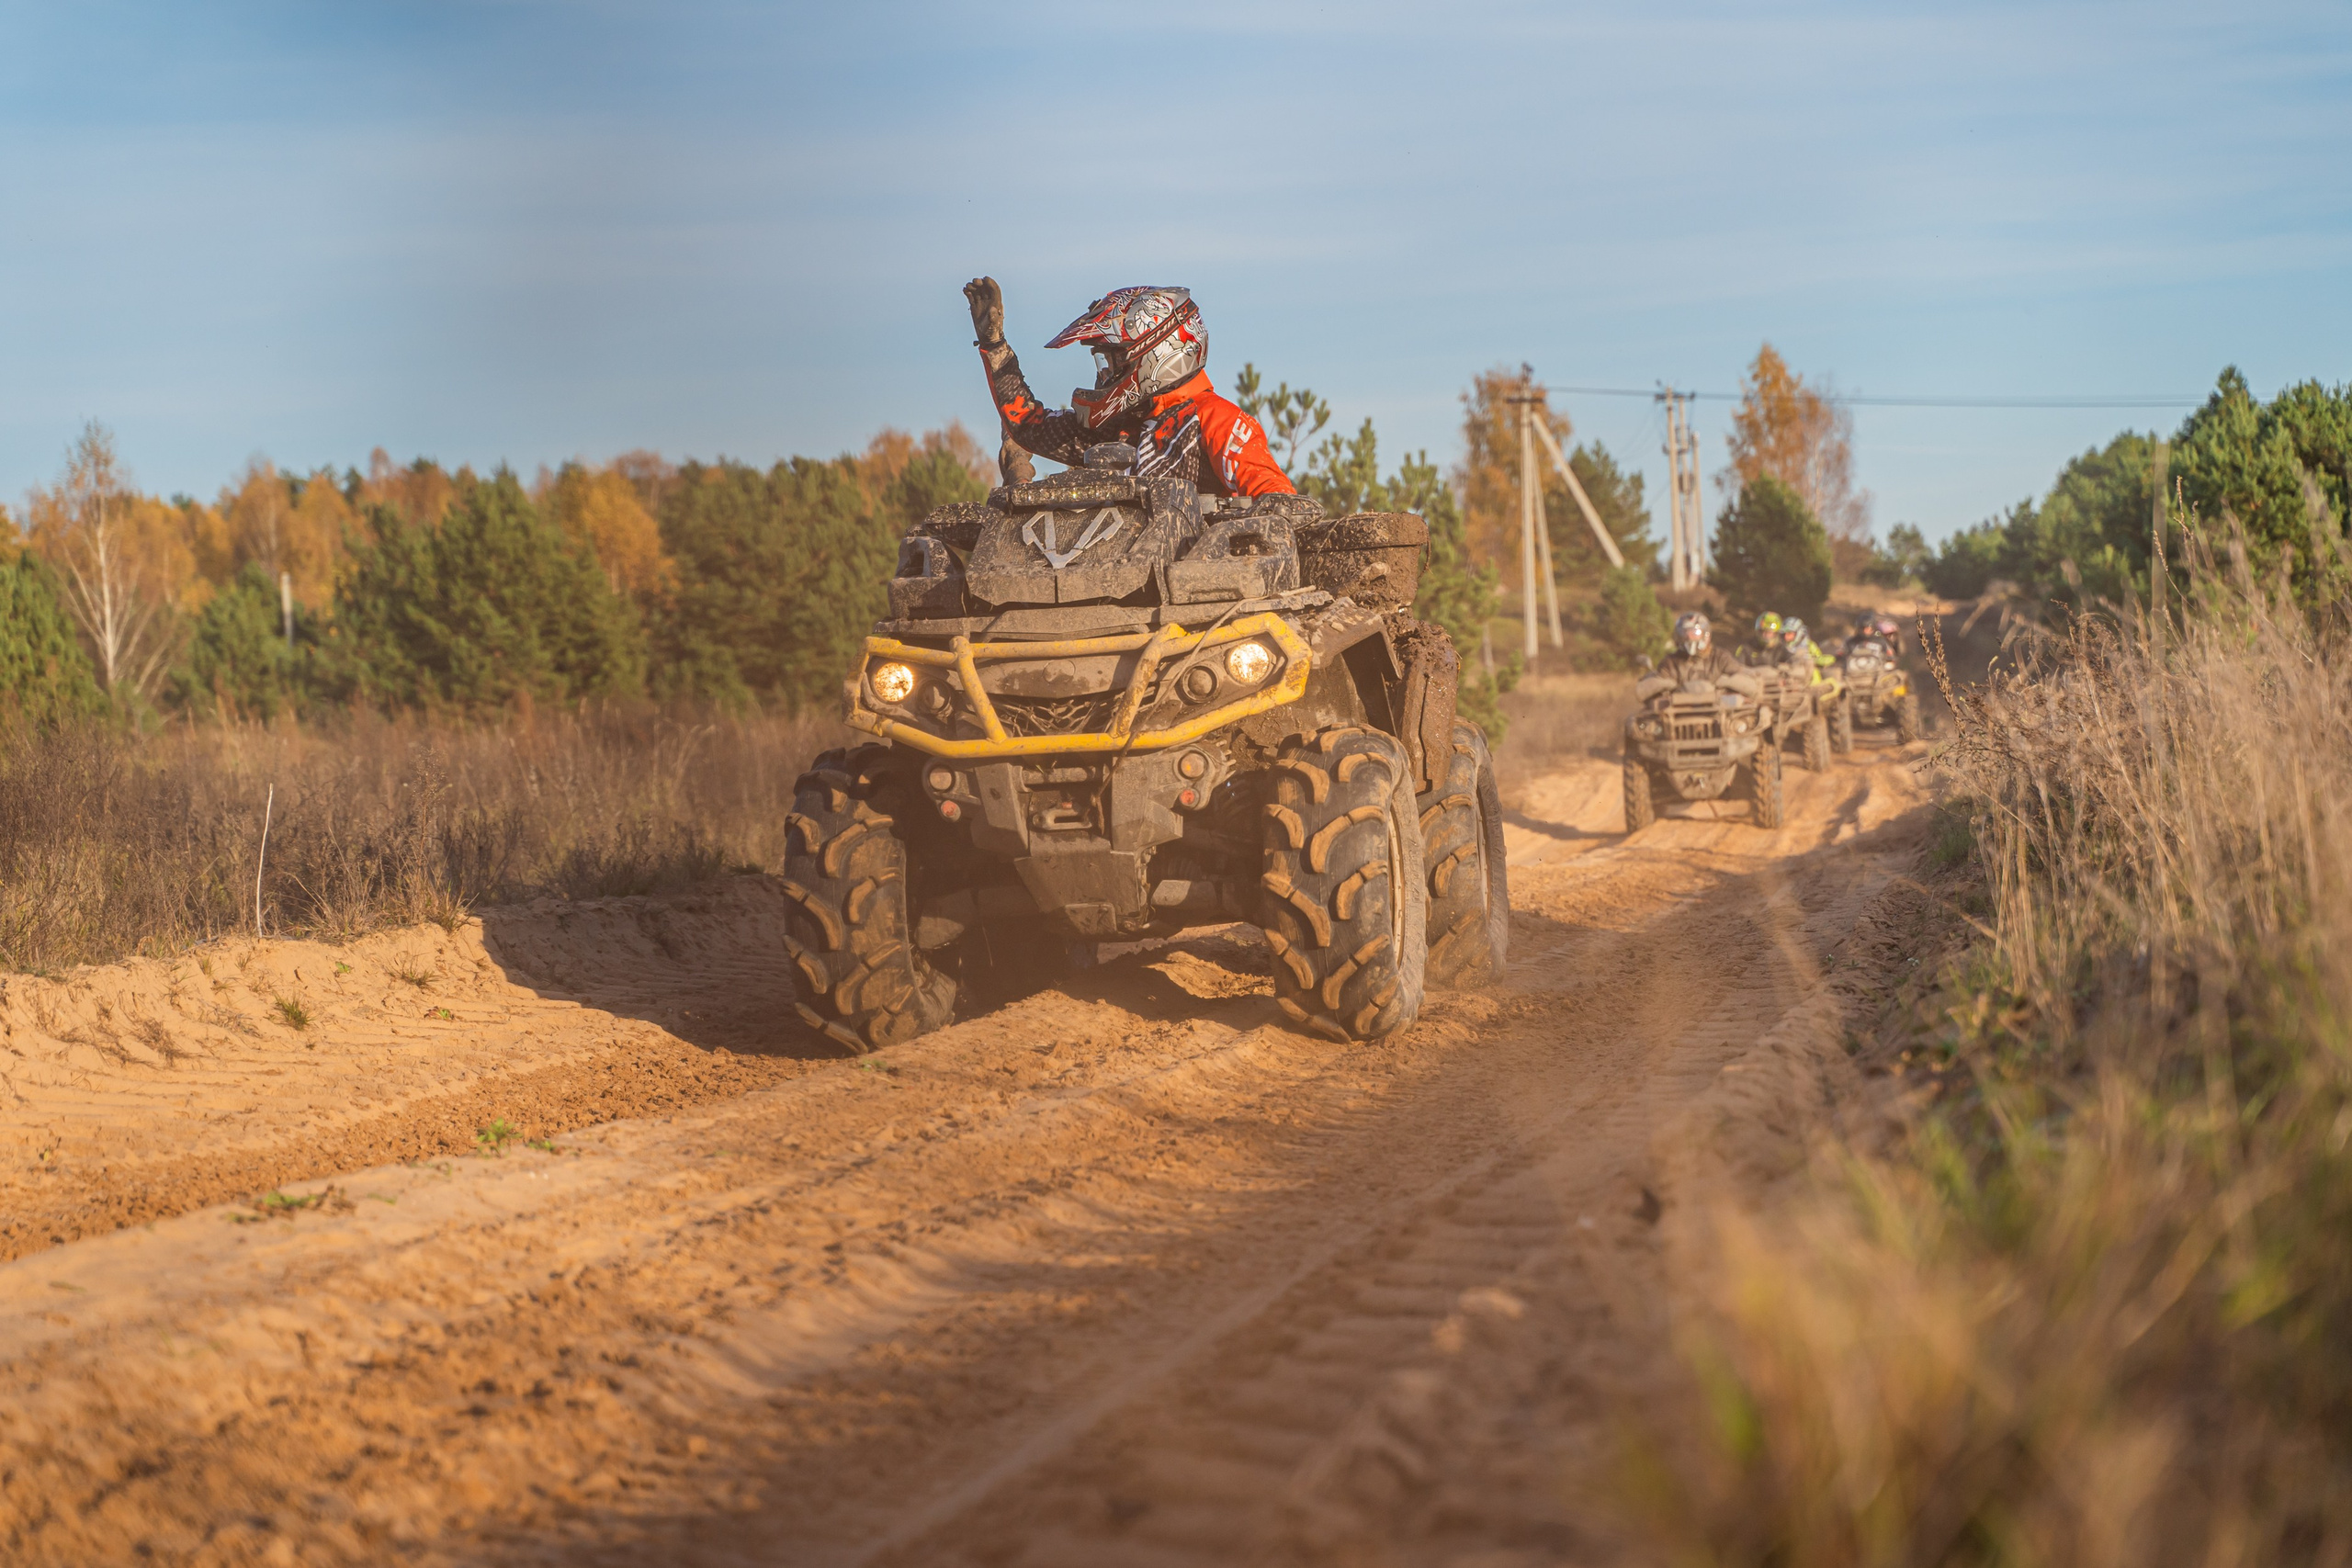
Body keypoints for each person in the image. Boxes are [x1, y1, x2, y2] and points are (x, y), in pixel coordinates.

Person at [962, 277, 1295, 498]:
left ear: (1155, 354)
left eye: (1113, 361)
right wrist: (995, 346)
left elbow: (1277, 501)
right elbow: (1030, 426)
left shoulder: (1217, 420)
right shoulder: (1122, 430)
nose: (1105, 375)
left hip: (1195, 588)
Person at [1638, 612, 1760, 699]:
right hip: (1678, 715)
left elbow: (1748, 682)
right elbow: (1646, 692)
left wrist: (1726, 682)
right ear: (1679, 635)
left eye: (1695, 632)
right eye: (1685, 633)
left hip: (1718, 713)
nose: (1690, 637)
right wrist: (1666, 684)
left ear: (1706, 634)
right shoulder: (1670, 662)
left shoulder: (1720, 657)